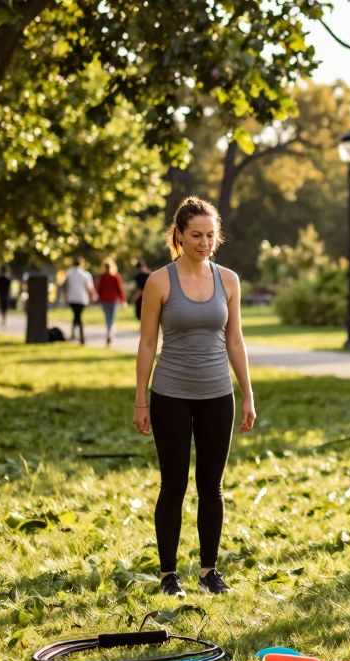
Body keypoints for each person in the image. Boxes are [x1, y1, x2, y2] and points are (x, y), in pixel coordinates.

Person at [133, 197, 256, 597]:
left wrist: (248, 394)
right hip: (170, 393)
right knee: (173, 485)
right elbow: (148, 342)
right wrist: (140, 400)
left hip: (218, 394)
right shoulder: (160, 281)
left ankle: (208, 571)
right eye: (196, 235)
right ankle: (169, 574)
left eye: (210, 235)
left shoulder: (229, 280)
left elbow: (235, 340)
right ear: (180, 236)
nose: (204, 242)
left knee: (212, 486)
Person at [62, 257, 96, 345]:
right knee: (78, 316)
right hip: (82, 299)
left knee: (76, 316)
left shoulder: (69, 274)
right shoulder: (85, 274)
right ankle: (81, 337)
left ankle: (74, 335)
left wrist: (65, 298)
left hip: (72, 299)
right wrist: (93, 297)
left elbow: (65, 287)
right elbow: (90, 288)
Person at [96, 258, 127, 346]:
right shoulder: (115, 276)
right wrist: (123, 300)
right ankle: (110, 333)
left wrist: (98, 300)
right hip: (112, 300)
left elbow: (99, 289)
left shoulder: (103, 276)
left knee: (108, 318)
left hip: (106, 300)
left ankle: (110, 333)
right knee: (111, 318)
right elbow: (120, 289)